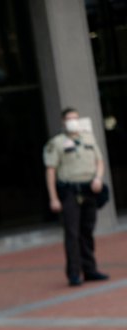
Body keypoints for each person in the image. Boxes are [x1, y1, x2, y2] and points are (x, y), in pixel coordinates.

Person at [44, 107, 109, 287]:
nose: (73, 122)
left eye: (76, 118)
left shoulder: (88, 138)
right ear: (63, 122)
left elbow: (100, 161)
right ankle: (74, 274)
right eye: (70, 119)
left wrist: (98, 178)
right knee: (72, 233)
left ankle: (90, 270)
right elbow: (50, 171)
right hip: (69, 192)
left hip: (89, 190)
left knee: (87, 230)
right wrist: (53, 198)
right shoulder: (56, 143)